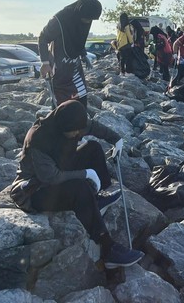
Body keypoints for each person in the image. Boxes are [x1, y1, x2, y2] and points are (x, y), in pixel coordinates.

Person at [10, 100, 143, 269]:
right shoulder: (38, 139)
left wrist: (116, 140)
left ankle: (95, 200)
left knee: (93, 148)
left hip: (57, 169)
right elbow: (51, 177)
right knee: (79, 188)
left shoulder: (72, 123)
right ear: (63, 127)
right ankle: (108, 248)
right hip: (34, 190)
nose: (78, 134)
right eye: (75, 132)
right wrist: (86, 173)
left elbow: (93, 127)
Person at [38, 0, 102, 108]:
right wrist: (45, 63)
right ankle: (60, 118)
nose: (88, 21)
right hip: (59, 68)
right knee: (61, 103)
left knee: (81, 96)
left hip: (75, 67)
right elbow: (43, 38)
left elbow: (78, 39)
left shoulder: (84, 20)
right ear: (80, 12)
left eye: (91, 20)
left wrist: (83, 55)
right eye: (88, 18)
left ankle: (81, 118)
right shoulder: (59, 20)